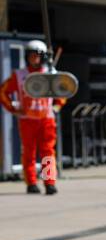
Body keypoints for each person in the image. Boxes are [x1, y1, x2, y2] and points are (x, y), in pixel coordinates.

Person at [0, 40, 64, 194]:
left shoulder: (50, 73)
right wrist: (14, 107)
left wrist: (56, 107)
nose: (34, 59)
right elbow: (3, 92)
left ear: (42, 58)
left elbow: (62, 92)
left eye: (37, 56)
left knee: (47, 152)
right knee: (29, 152)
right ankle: (31, 183)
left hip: (46, 119)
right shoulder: (19, 75)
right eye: (31, 56)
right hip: (27, 120)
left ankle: (49, 182)